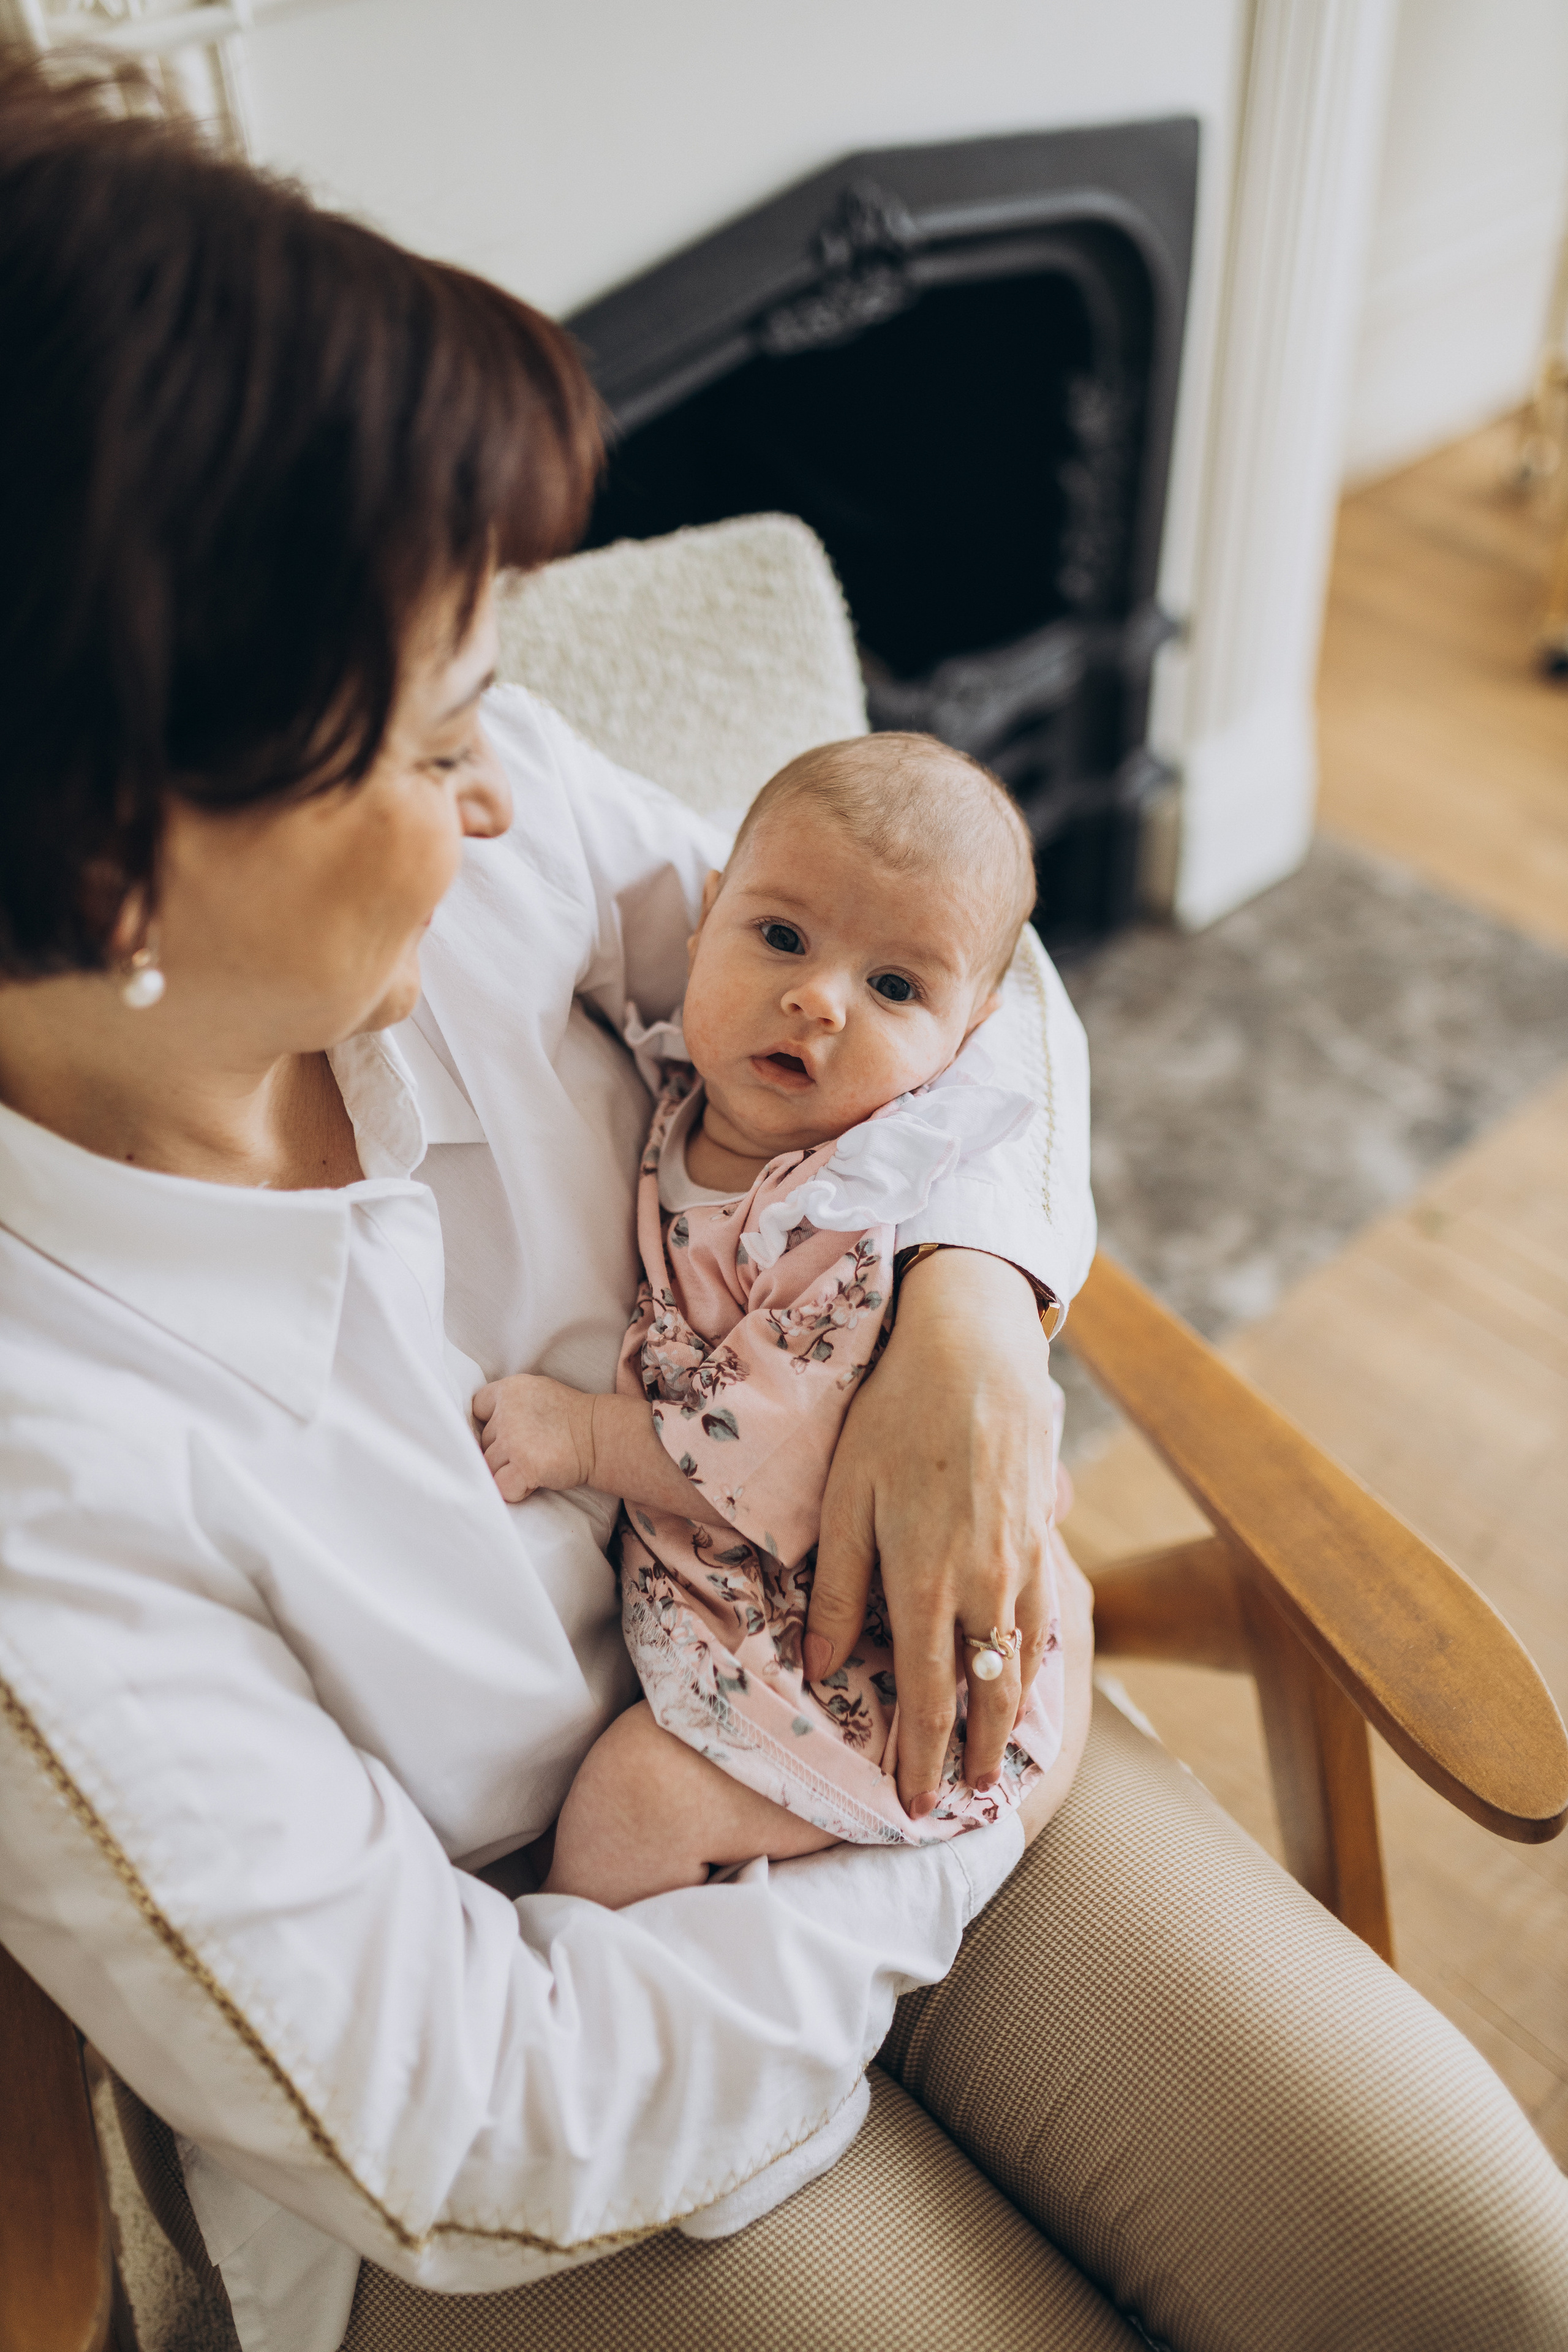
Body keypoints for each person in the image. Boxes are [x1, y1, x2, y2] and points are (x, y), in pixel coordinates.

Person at [2, 59, 1565, 2352]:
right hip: (557, 2026)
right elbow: (457, 2113)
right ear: (126, 860)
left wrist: (963, 1300)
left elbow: (975, 978)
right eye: (430, 753)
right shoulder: (49, 1449)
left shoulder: (507, 839)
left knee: (1471, 2271)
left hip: (855, 1710)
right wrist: (880, 1867)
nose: (505, 791)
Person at [477, 735, 1071, 1903]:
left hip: (842, 1648)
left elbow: (782, 1468)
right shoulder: (686, 1094)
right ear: (703, 921)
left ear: (967, 1039)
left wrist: (585, 1439)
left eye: (896, 988)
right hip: (706, 1602)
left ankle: (601, 2009)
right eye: (782, 938)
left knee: (632, 1804)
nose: (819, 997)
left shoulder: (840, 1223)